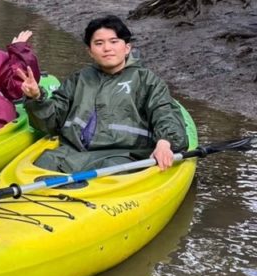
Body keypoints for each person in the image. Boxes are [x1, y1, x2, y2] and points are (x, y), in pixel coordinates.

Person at [18, 14, 188, 172]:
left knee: (112, 169)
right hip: (74, 154)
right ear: (90, 51)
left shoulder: (146, 80)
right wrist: (36, 97)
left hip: (124, 156)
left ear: (127, 47)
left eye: (114, 41)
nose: (107, 48)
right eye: (99, 43)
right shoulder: (79, 79)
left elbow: (165, 113)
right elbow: (51, 122)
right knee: (45, 162)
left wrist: (165, 143)